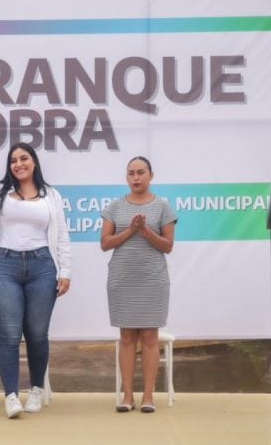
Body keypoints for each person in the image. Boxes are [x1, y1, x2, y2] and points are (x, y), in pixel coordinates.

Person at [0, 138, 72, 419]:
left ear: (34, 162)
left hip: (43, 266)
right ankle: (11, 394)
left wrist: (65, 271)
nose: (18, 164)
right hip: (3, 266)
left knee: (37, 333)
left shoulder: (51, 195)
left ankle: (35, 389)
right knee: (8, 334)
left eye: (24, 159)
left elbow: (62, 237)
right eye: (13, 160)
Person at [100, 156, 177, 413]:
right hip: (122, 278)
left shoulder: (163, 207)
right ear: (126, 177)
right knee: (127, 336)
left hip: (152, 278)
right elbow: (105, 243)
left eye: (141, 172)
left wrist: (146, 232)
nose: (136, 177)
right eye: (131, 173)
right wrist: (131, 231)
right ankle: (127, 396)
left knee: (150, 336)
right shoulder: (114, 207)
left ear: (150, 176)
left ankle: (148, 396)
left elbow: (167, 246)